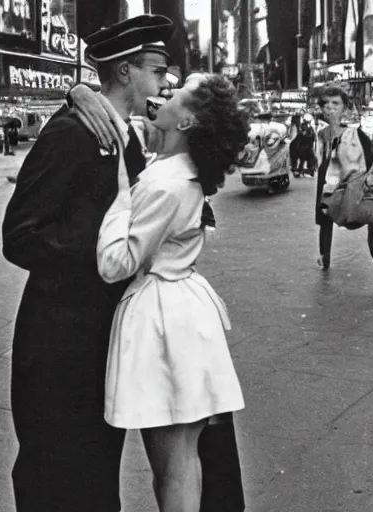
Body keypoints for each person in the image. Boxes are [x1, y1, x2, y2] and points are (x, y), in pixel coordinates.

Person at [1, 15, 246, 512]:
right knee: (60, 469)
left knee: (95, 469)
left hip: (106, 329)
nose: (163, 84)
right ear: (127, 72)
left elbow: (169, 196)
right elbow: (20, 235)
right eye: (157, 72)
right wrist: (101, 250)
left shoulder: (129, 139)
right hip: (61, 337)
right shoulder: (73, 131)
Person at [89, 72, 248, 512]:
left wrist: (121, 198)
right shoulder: (177, 170)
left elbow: (114, 264)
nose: (166, 92)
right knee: (182, 458)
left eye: (177, 93)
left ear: (186, 122)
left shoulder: (164, 184)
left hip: (162, 320)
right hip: (184, 311)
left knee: (173, 463)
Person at [312, 87, 373, 296]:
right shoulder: (322, 134)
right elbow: (322, 161)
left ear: (345, 108)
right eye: (326, 104)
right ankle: (324, 257)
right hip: (330, 188)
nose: (329, 108)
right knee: (324, 223)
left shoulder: (359, 132)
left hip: (360, 189)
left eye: (335, 104)